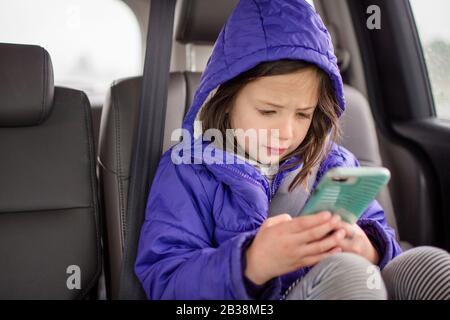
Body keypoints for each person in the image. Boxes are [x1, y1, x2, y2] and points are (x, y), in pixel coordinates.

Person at [135, 0, 450, 300]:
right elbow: (165, 280)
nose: (286, 133)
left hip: (341, 281)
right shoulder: (188, 169)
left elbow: (385, 241)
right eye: (268, 112)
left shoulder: (335, 164)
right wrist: (252, 263)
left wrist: (369, 248)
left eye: (303, 114)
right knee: (349, 274)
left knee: (429, 264)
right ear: (226, 100)